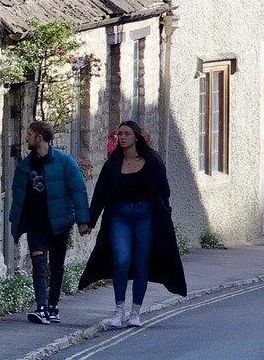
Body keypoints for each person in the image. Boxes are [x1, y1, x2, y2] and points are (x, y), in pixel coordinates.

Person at [78, 120, 187, 325]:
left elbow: (164, 192)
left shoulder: (152, 161)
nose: (122, 137)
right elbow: (101, 192)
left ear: (136, 137)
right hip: (119, 216)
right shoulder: (113, 162)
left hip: (145, 216)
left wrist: (163, 217)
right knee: (121, 259)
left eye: (127, 133)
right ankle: (119, 310)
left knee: (140, 262)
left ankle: (135, 312)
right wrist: (89, 221)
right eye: (120, 134)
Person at [8, 121, 90, 325]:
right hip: (36, 223)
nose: (26, 137)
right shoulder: (24, 165)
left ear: (40, 137)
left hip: (59, 221)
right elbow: (17, 196)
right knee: (38, 265)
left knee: (56, 266)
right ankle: (41, 308)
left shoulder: (64, 162)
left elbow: (78, 190)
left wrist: (82, 221)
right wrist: (16, 221)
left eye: (29, 134)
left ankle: (53, 307)